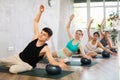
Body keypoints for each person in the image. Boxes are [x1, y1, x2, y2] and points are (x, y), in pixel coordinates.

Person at [0, 5, 67, 74]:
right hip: (18, 57)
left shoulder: (46, 48)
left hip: (27, 64)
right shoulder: (36, 37)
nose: (41, 35)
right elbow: (35, 21)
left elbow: (51, 61)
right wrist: (40, 12)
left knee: (12, 70)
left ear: (48, 38)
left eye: (44, 35)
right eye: (41, 33)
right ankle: (12, 64)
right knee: (1, 60)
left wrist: (59, 64)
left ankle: (13, 65)